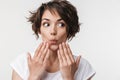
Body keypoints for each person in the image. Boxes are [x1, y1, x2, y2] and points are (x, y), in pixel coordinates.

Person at [10, 0, 96, 80]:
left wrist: (69, 77)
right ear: (39, 29)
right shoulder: (22, 63)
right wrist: (33, 76)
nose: (53, 31)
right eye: (46, 24)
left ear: (69, 30)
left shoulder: (82, 66)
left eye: (61, 24)